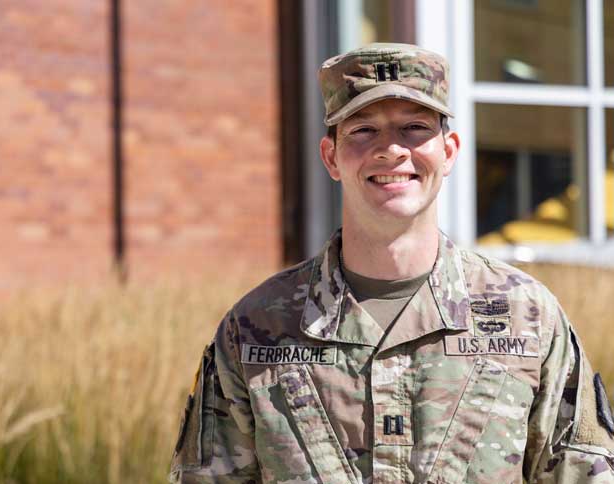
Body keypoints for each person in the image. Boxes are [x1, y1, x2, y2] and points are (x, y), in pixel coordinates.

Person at [168, 43, 614, 483]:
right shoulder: (256, 326)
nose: (391, 150)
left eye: (415, 128)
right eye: (363, 130)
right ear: (331, 157)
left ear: (450, 151)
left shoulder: (527, 318)